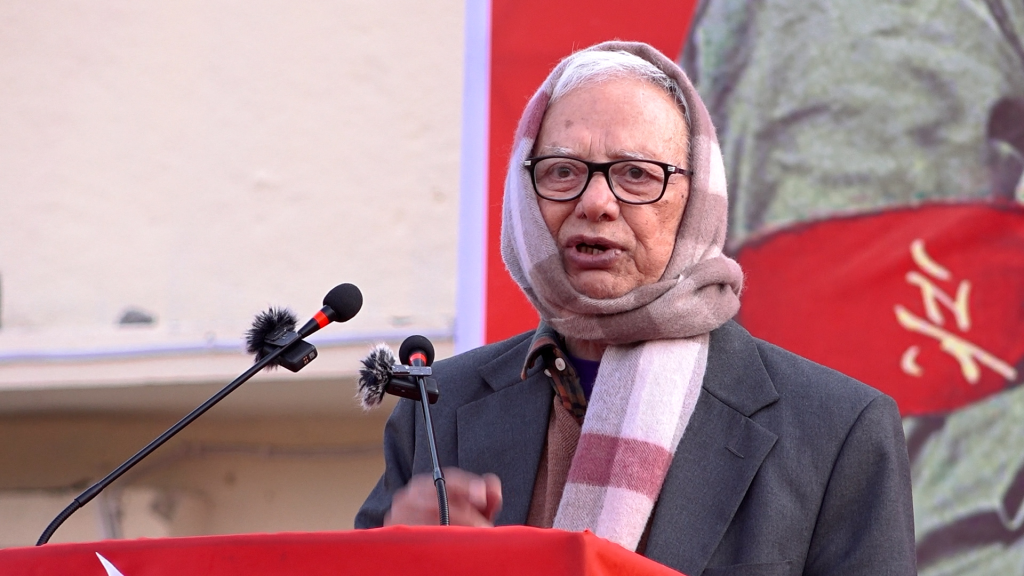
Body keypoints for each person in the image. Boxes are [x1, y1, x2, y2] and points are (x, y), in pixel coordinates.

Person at [356, 41, 917, 575]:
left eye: (637, 174)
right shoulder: (435, 411)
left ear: (697, 200)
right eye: (562, 171)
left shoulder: (838, 431)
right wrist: (396, 562)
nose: (596, 203)